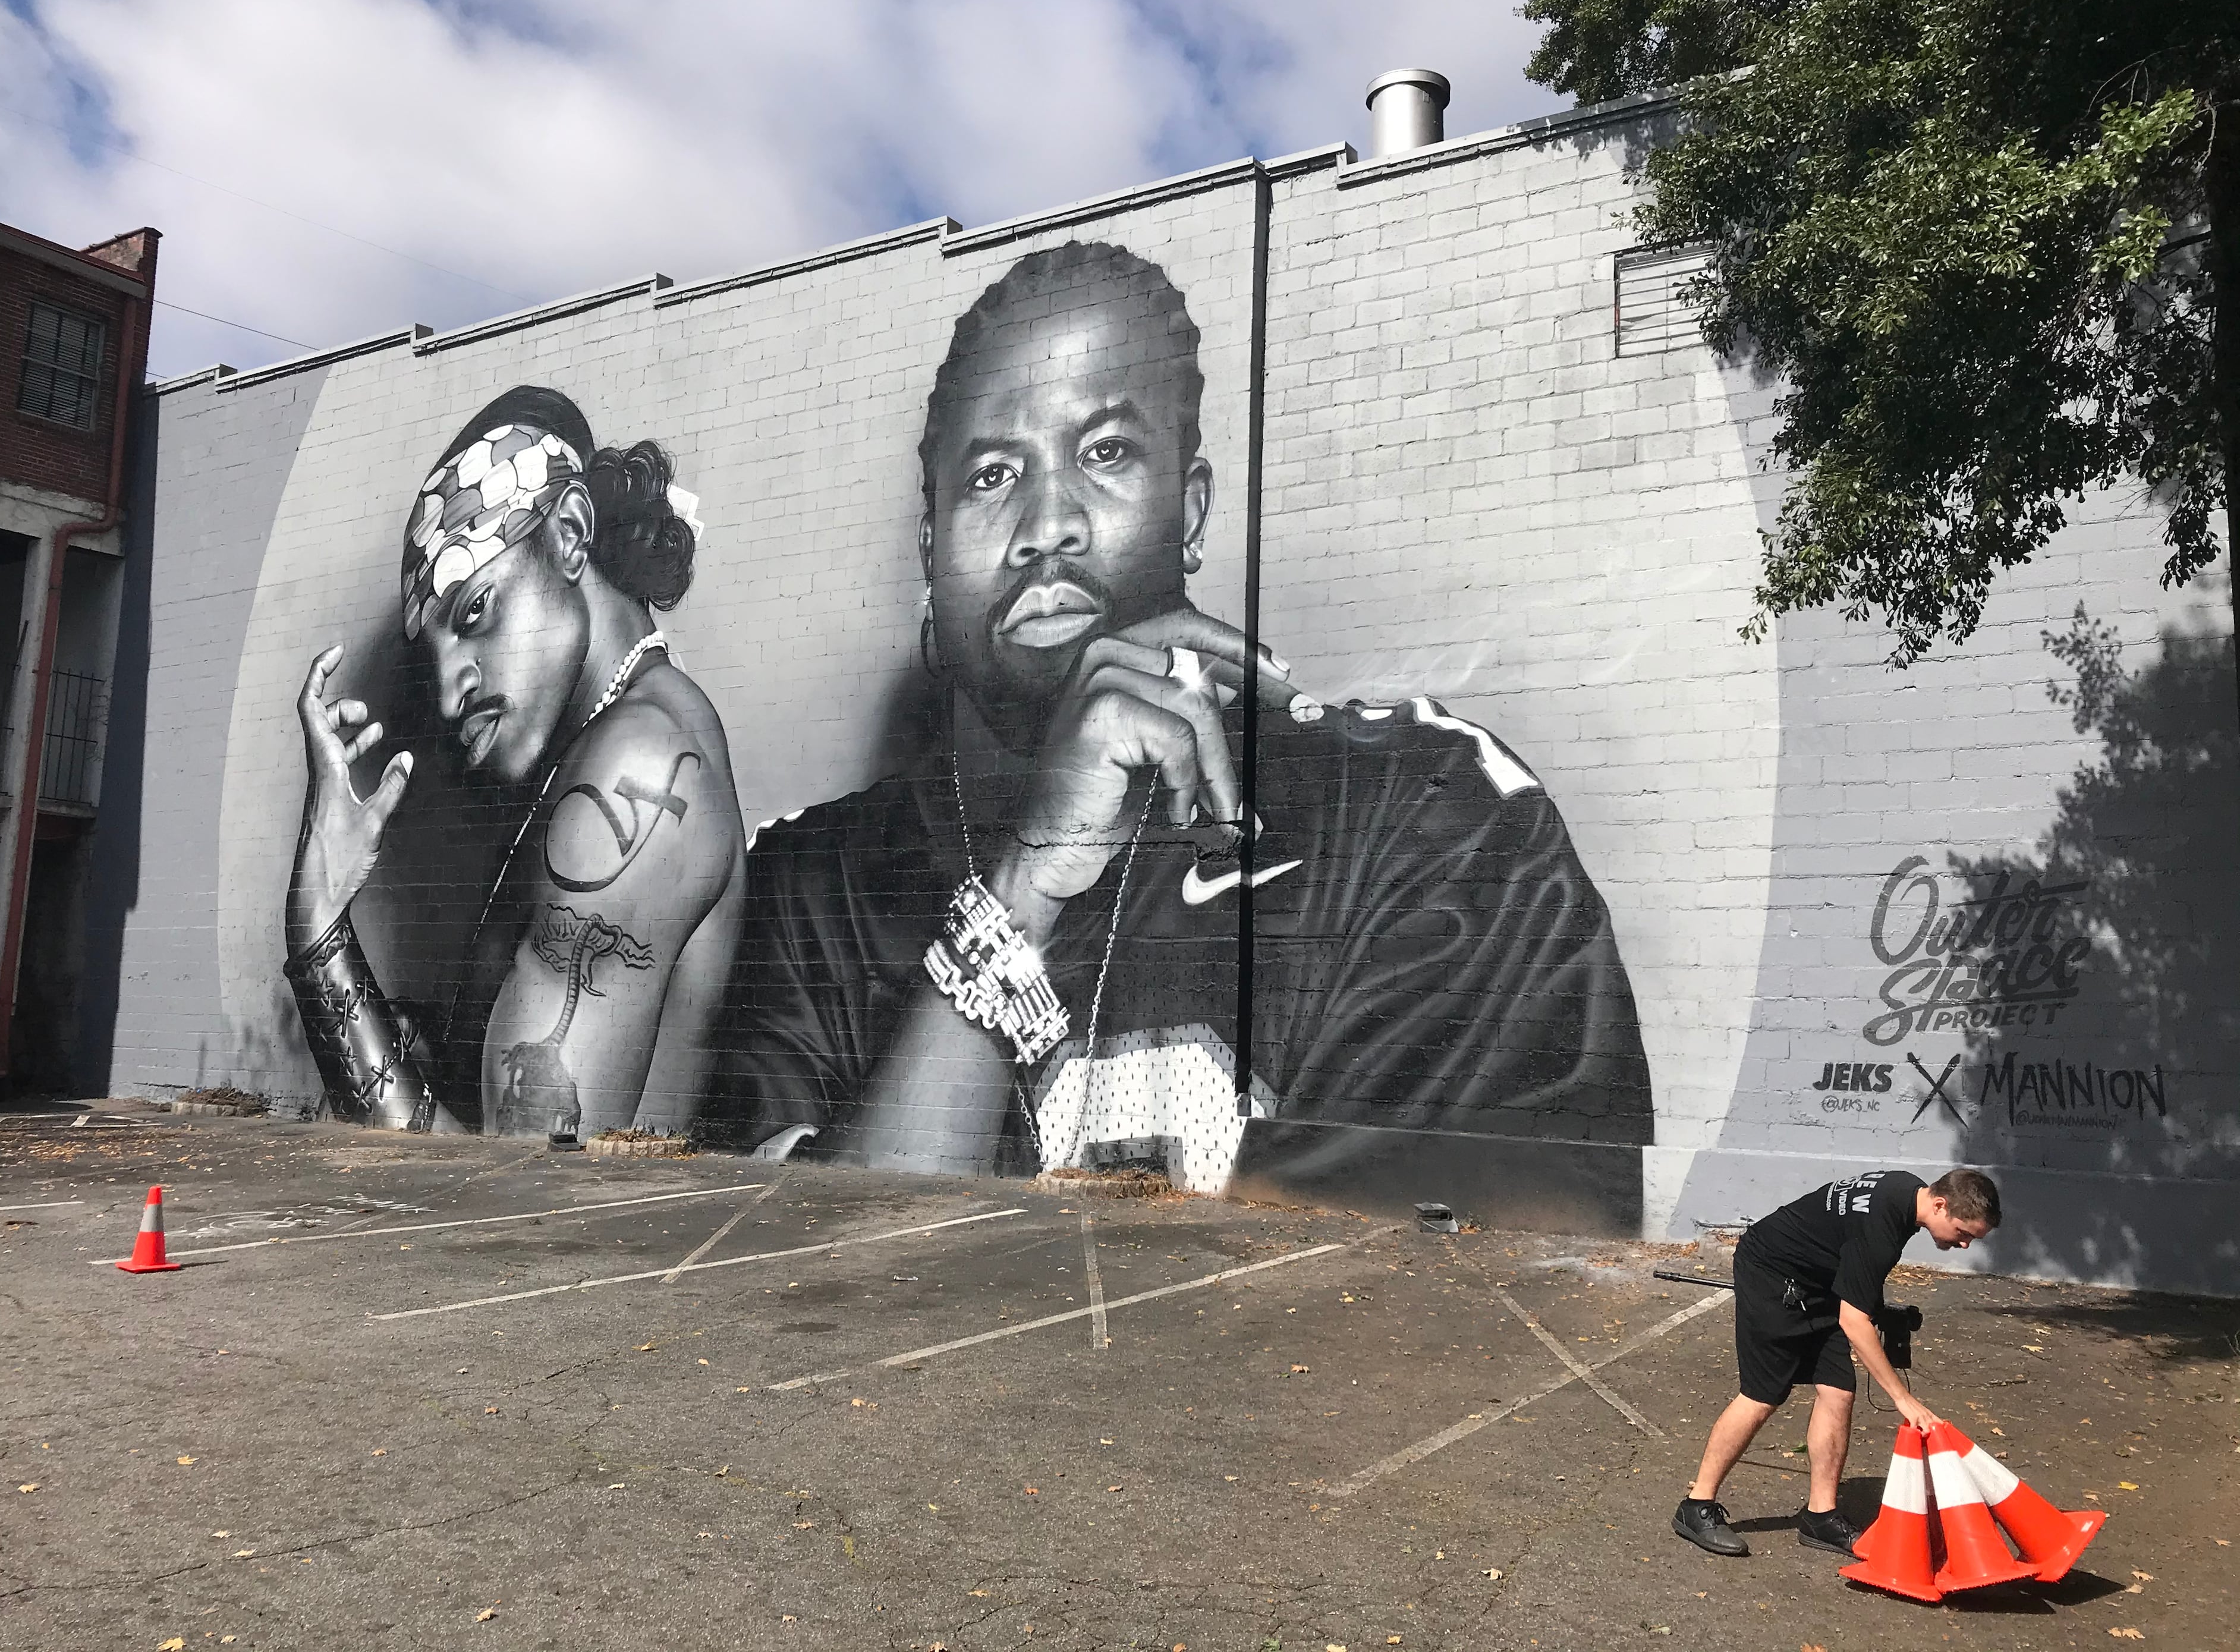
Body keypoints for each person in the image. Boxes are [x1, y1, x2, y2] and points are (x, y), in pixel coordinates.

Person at [697, 241, 1650, 1192]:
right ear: (930, 550)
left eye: (1106, 453)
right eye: (991, 475)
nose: (1047, 527)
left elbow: (1434, 1305)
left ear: (1192, 513)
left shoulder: (1424, 817)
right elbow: (795, 1282)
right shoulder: (807, 889)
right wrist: (1026, 880)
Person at [284, 386, 746, 1137]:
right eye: (432, 655)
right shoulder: (601, 747)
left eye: (475, 612)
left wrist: (317, 936)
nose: (447, 693)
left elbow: (510, 1190)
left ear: (569, 536)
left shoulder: (638, 764)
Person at [1672, 1167, 2003, 1558]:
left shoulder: (1904, 1190)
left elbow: (1851, 1252)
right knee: (1763, 1394)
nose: (1965, 1245)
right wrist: (1902, 1398)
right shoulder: (1887, 1221)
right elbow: (1853, 1320)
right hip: (1771, 1273)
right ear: (1940, 1204)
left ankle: (1821, 1518)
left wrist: (1877, 1307)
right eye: (1964, 1233)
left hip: (1818, 1286)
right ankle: (1696, 1506)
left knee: (1838, 1392)